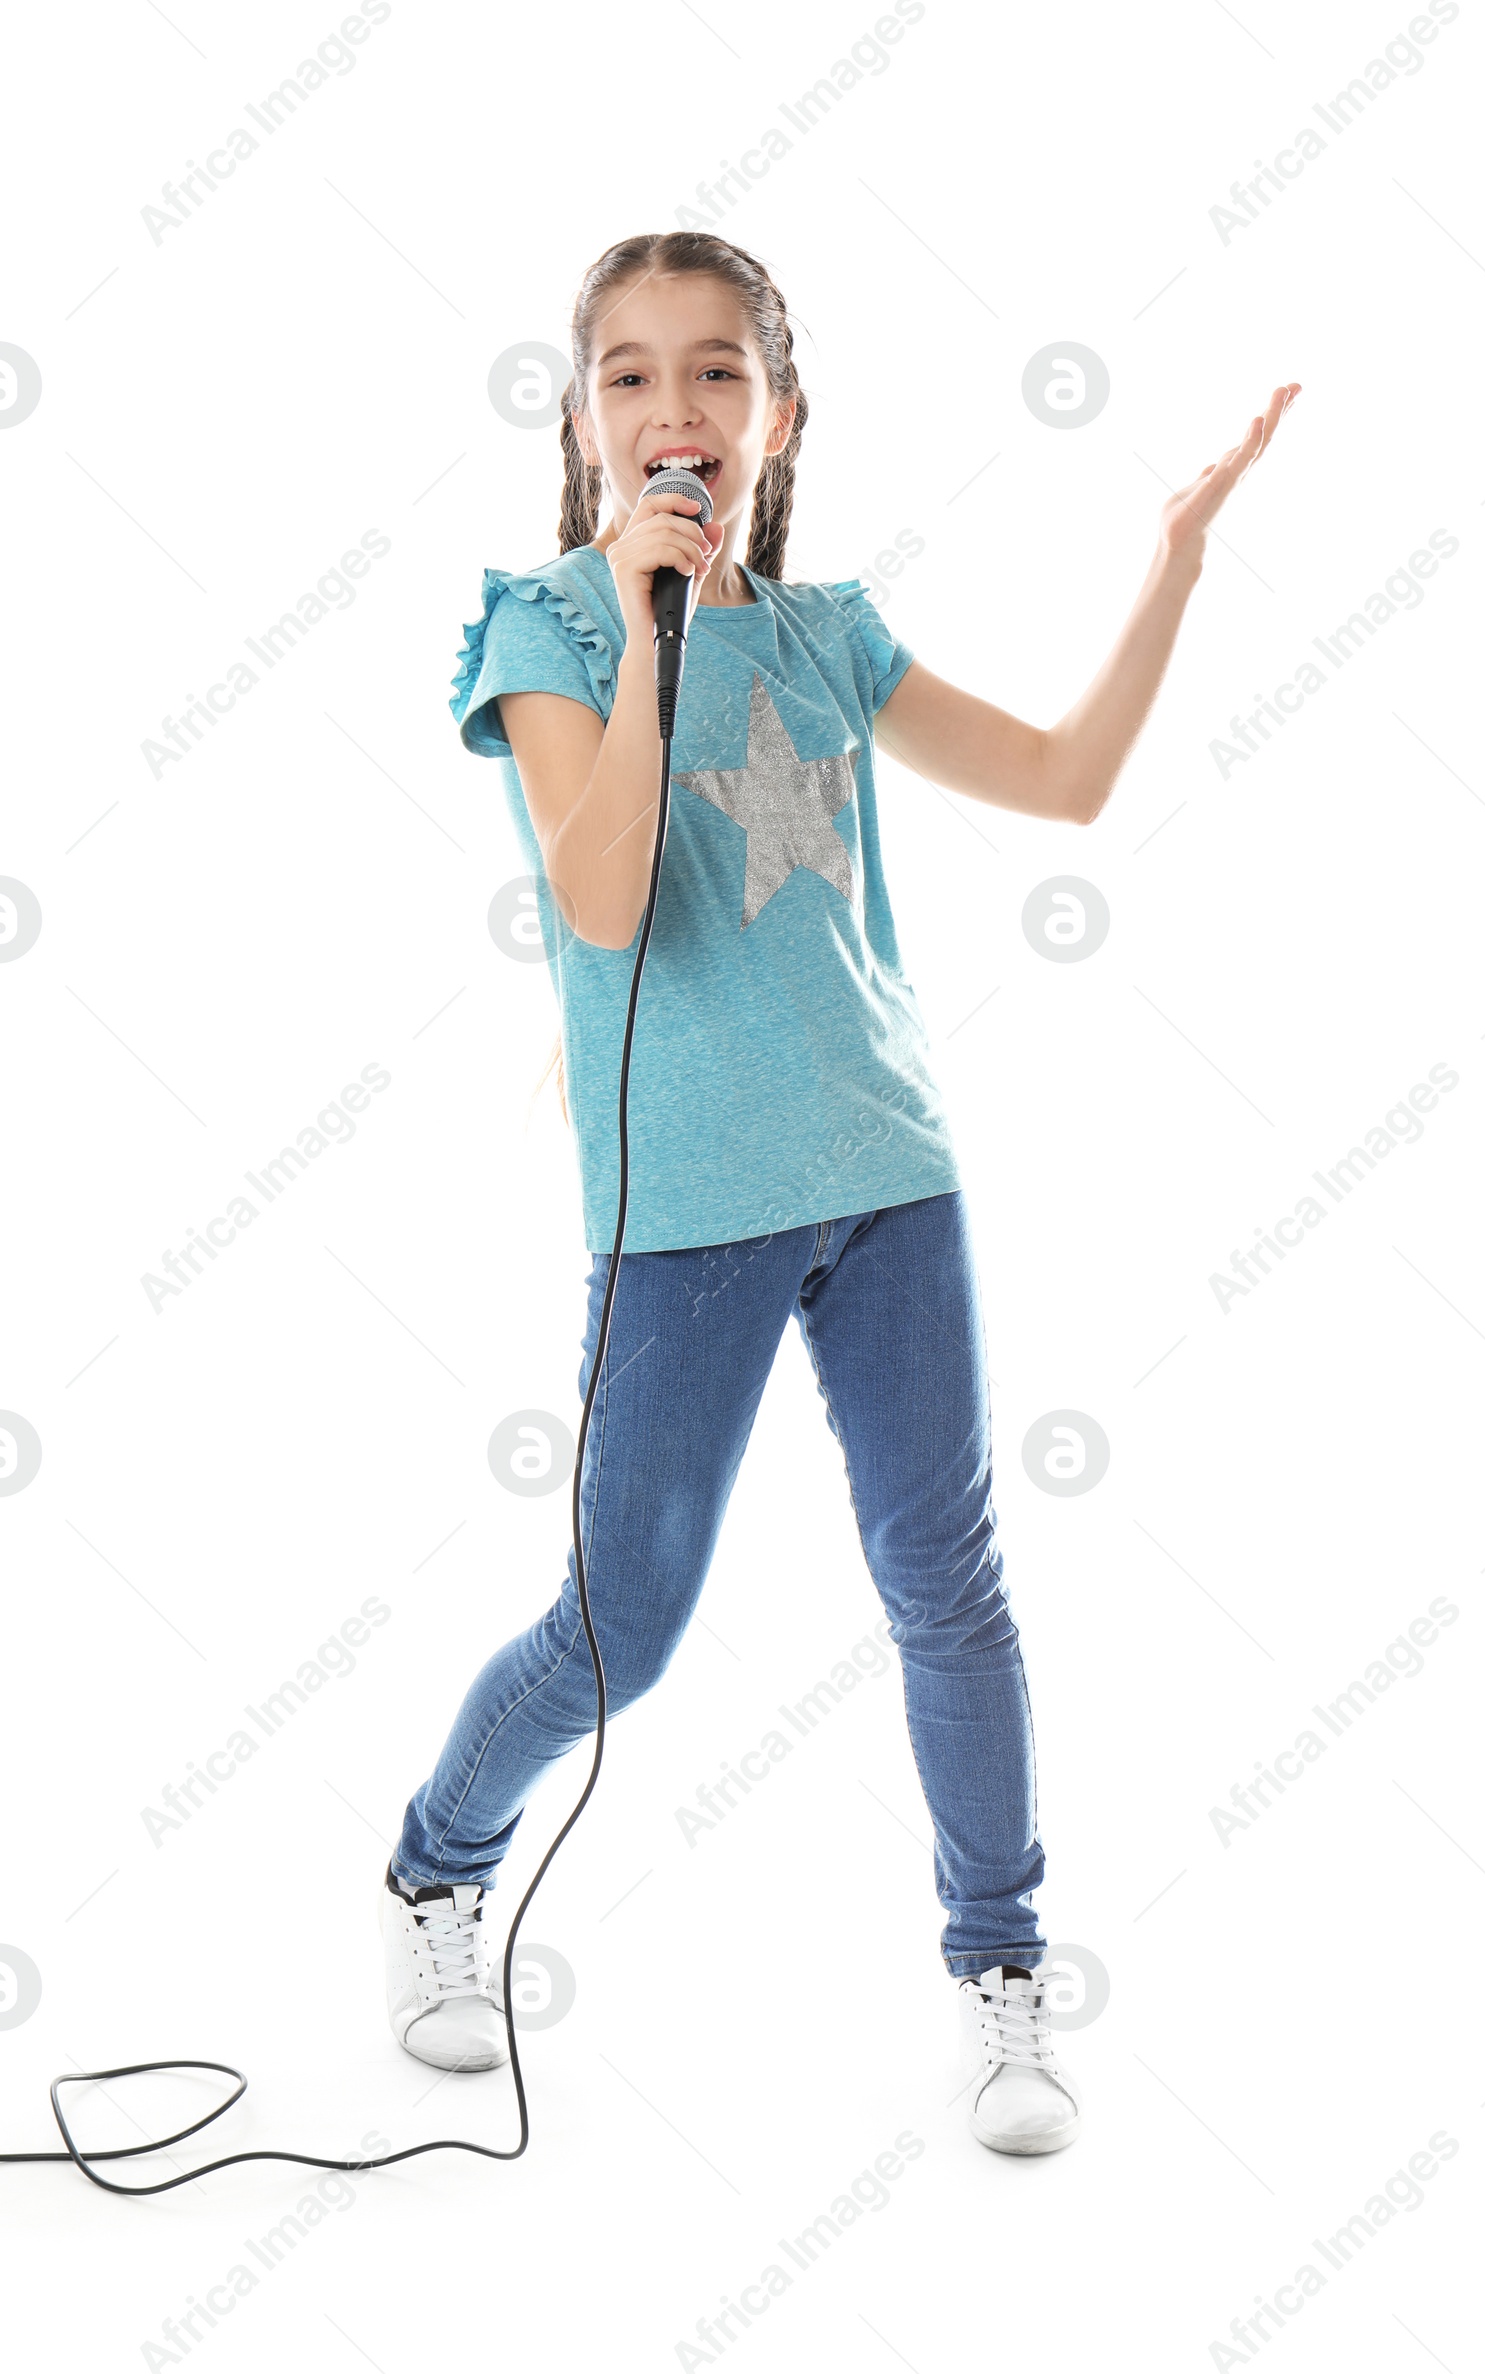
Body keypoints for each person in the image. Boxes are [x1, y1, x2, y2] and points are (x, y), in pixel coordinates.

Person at [379, 228, 1297, 2158]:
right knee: (624, 1613)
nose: (675, 407)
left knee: (946, 1576)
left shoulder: (829, 635)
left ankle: (1003, 1965)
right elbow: (607, 893)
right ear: (581, 416)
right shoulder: (548, 631)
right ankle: (438, 1871)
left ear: (778, 419)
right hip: (686, 1205)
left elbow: (1062, 779)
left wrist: (1175, 568)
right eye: (629, 373)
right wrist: (645, 627)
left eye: (717, 371)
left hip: (888, 1174)